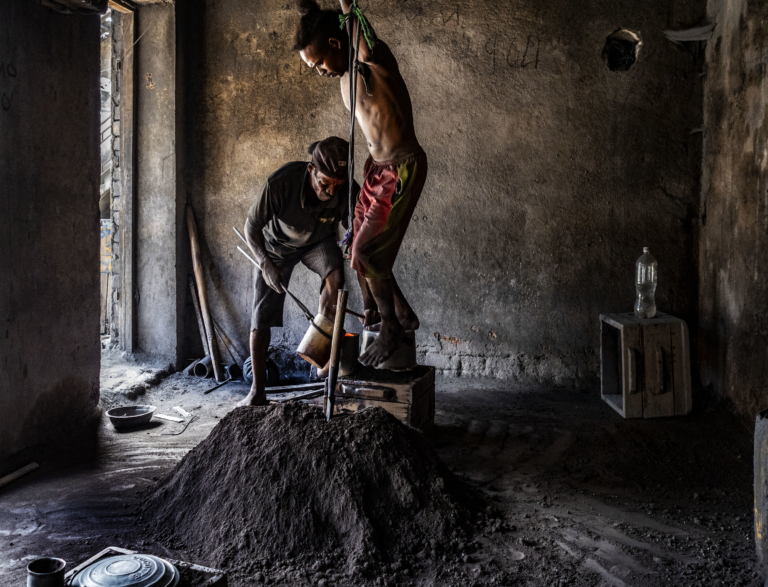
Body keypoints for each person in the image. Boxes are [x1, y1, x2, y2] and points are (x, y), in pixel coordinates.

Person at [294, 0, 428, 367]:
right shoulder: (344, 78)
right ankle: (395, 310)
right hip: (375, 169)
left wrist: (345, 6)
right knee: (355, 245)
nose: (319, 71)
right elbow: (315, 23)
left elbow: (356, 27)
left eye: (319, 63)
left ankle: (391, 326)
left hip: (401, 168)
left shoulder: (373, 62)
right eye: (313, 67)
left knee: (367, 252)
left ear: (336, 43)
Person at [238, 137, 359, 407]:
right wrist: (266, 264)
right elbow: (250, 228)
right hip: (277, 247)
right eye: (324, 183)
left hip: (319, 241)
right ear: (310, 169)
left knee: (335, 279)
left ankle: (321, 364)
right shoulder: (280, 184)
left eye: (337, 185)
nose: (331, 191)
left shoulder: (346, 190)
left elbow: (358, 232)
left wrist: (354, 245)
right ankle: (257, 391)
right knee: (261, 315)